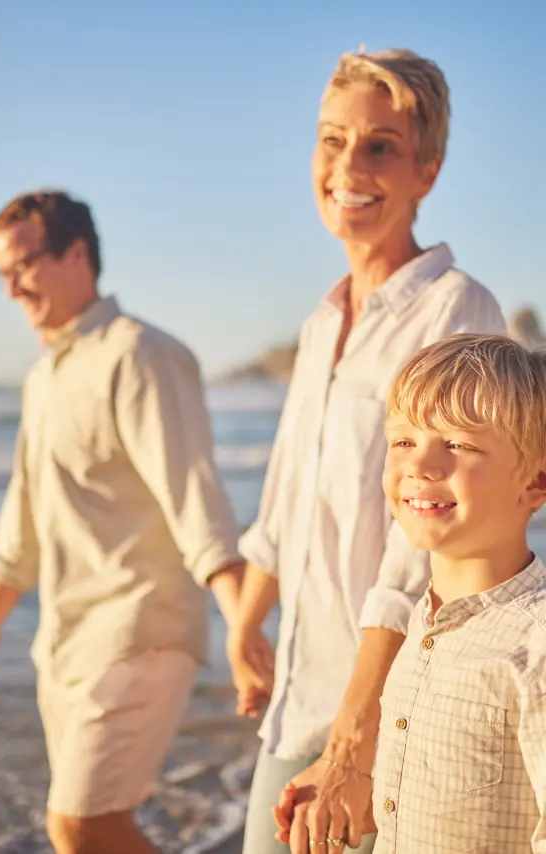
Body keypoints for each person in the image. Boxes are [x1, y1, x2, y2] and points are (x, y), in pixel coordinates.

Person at [226, 49, 508, 854]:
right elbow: (288, 494)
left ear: (428, 170)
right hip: (300, 702)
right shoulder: (322, 324)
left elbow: (429, 539)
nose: (349, 165)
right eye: (332, 140)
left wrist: (357, 734)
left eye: (380, 145)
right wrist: (248, 624)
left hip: (389, 714)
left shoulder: (457, 311)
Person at [0, 191, 244, 854]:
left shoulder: (142, 355)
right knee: (97, 826)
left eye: (23, 266)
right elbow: (23, 516)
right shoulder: (44, 376)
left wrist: (240, 623)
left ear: (77, 254)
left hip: (143, 627)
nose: (12, 289)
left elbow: (193, 495)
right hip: (68, 643)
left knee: (80, 826)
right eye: (2, 275)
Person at [373, 333, 546, 852]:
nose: (420, 465)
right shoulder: (421, 624)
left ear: (536, 483)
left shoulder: (535, 647)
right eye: (403, 441)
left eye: (459, 444)